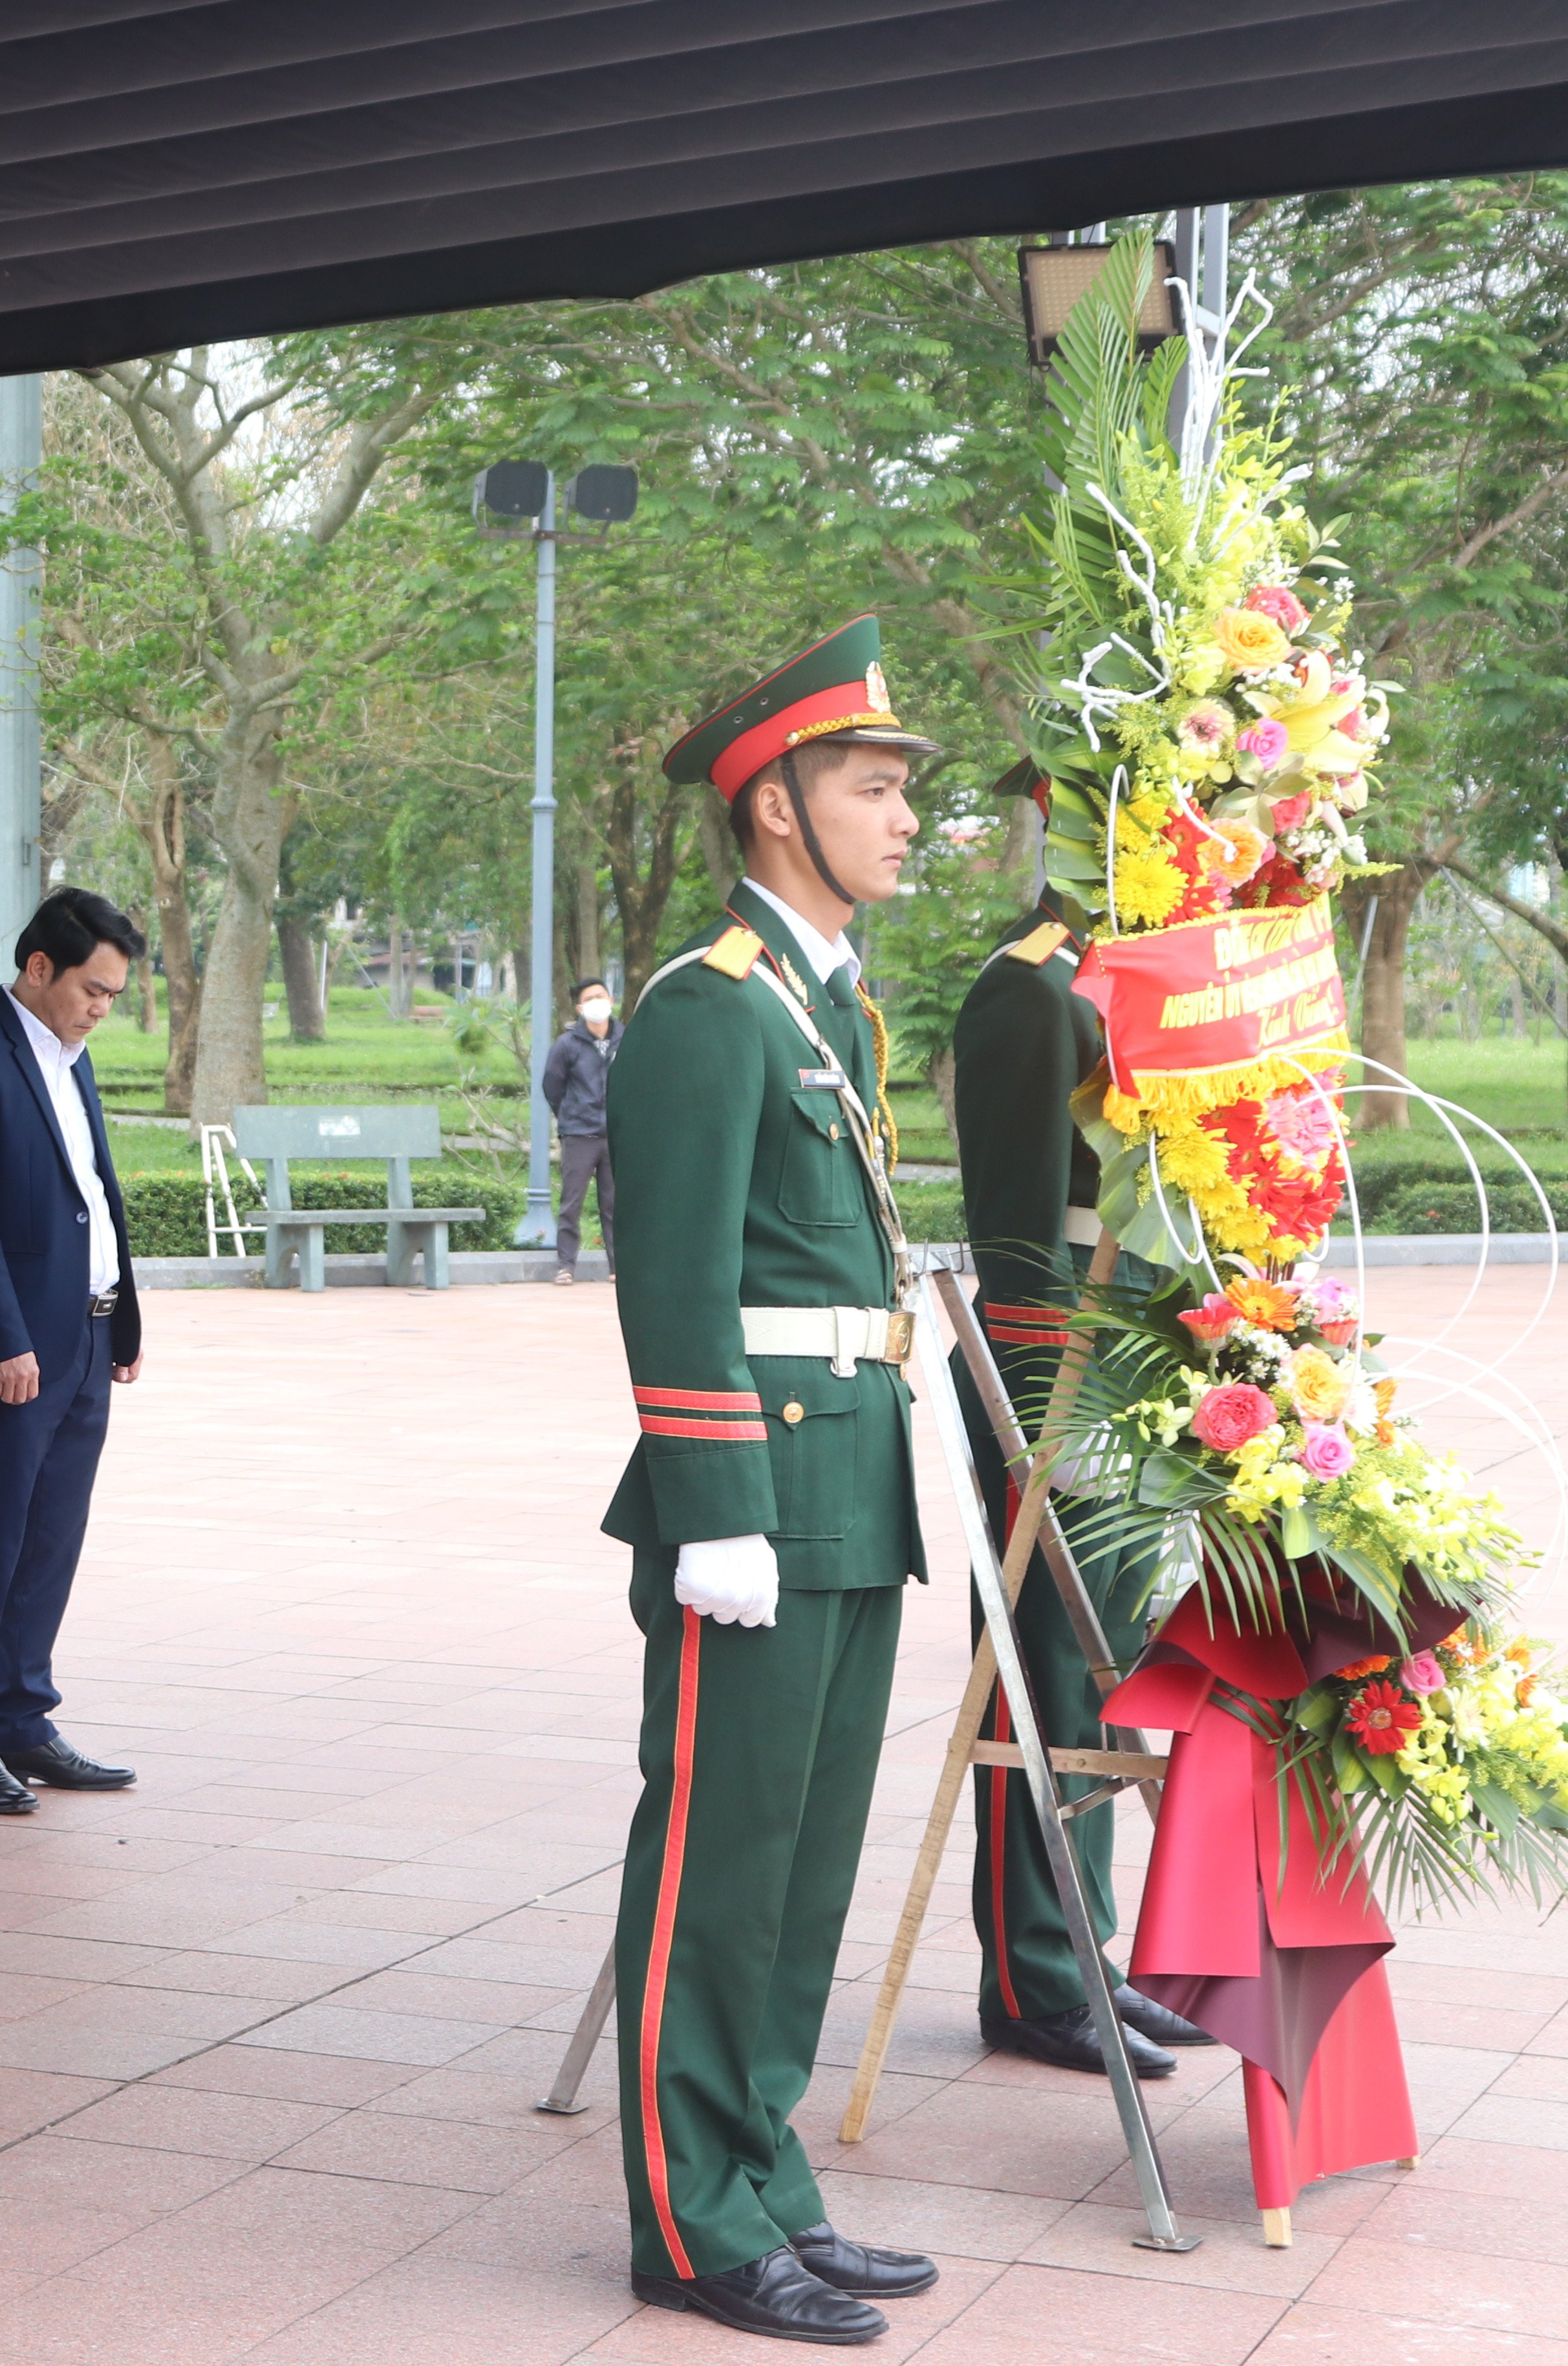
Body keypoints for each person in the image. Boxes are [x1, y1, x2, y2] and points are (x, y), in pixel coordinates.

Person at [601, 614, 946, 2345]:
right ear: (775, 810)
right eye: (872, 788)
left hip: (851, 1485)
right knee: (715, 1859)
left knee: (803, 1864)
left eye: (902, 790)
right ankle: (689, 2217)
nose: (905, 818)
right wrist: (713, 1499)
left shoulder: (833, 1008)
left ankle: (764, 2170)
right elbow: (670, 1273)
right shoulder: (707, 1009)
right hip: (758, 1496)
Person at [954, 764, 1207, 2085]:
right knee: (1044, 1664)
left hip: (1131, 1359)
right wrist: (1049, 1388)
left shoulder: (1148, 975)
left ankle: (1086, 1946)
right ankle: (1033, 1971)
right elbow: (1013, 1230)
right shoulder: (1031, 988)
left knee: (1109, 1669)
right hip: (1052, 1370)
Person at [0, 887, 146, 1819]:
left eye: (114, 996)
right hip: (12, 1347)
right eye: (92, 989)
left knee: (52, 1535)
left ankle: (24, 1714)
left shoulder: (74, 1059)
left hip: (87, 1335)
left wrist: (122, 1316)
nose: (102, 1008)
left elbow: (90, 1190)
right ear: (39, 968)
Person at [542, 976, 619, 1285]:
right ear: (579, 1008)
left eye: (600, 996)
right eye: (589, 1000)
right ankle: (566, 1266)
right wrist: (569, 1117)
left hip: (614, 1136)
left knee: (615, 1204)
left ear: (611, 1000)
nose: (596, 1003)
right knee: (571, 1202)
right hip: (579, 1135)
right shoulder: (567, 1044)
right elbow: (552, 1085)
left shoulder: (625, 1039)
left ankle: (617, 1268)